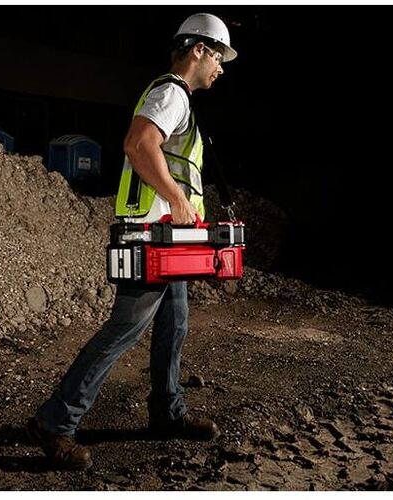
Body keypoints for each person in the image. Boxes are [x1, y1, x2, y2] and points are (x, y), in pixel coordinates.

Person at [27, 12, 238, 470]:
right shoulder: (171, 93)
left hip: (169, 238)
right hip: (152, 236)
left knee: (174, 323)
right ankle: (55, 420)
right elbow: (139, 144)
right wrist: (177, 198)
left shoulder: (179, 99)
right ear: (198, 49)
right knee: (125, 328)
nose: (221, 67)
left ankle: (167, 411)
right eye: (219, 56)